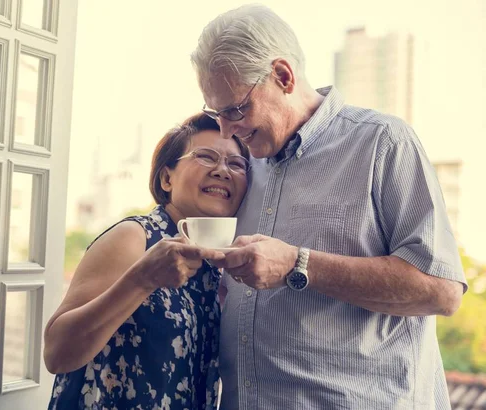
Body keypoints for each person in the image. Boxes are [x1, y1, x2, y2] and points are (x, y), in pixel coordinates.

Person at [191, 4, 467, 409]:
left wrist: (297, 264)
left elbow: (441, 290)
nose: (226, 129)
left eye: (235, 110)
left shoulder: (382, 142)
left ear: (282, 76)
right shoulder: (243, 164)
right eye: (216, 114)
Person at [44, 112, 249, 409]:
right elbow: (57, 353)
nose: (222, 170)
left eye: (236, 163)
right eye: (206, 157)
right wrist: (143, 279)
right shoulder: (134, 237)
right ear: (167, 178)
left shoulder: (216, 268)